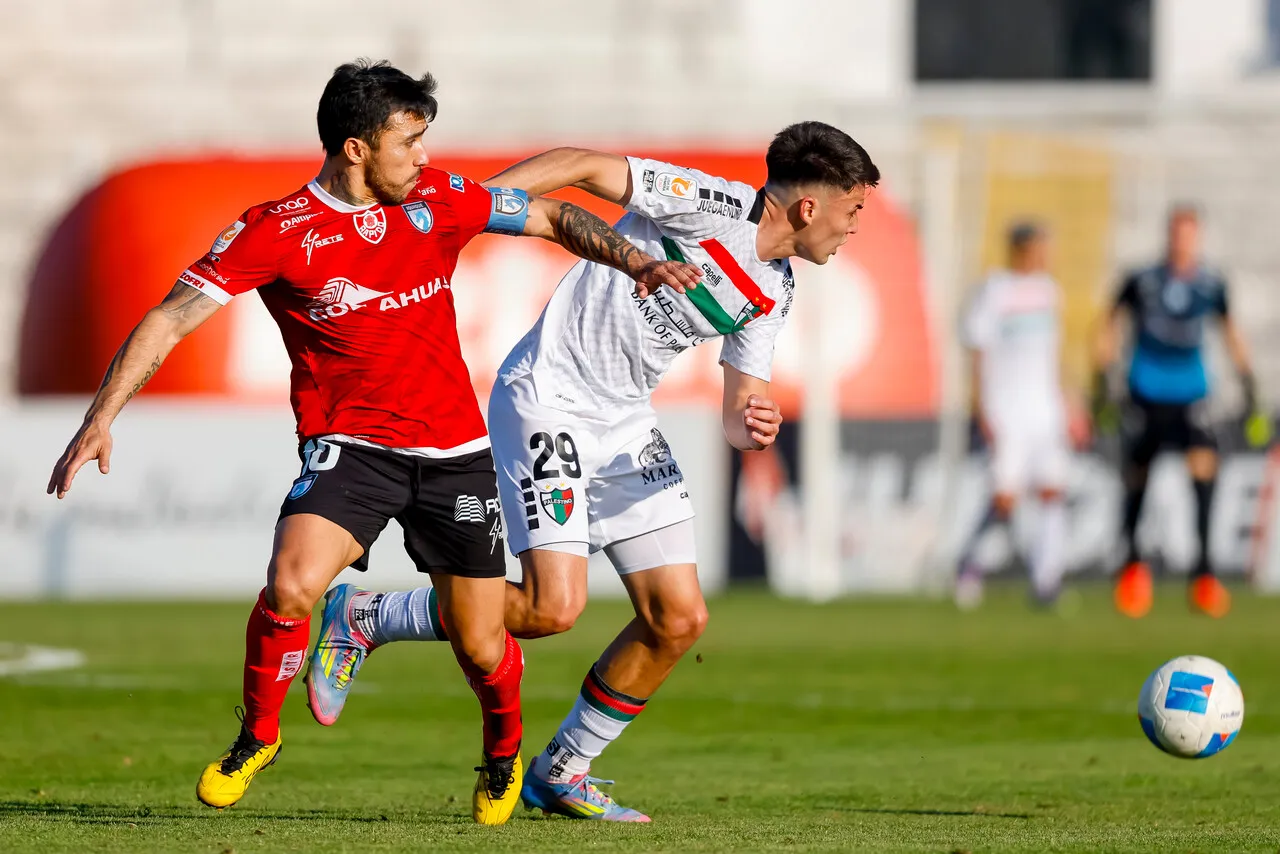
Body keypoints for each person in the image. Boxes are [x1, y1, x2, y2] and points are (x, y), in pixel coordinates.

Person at [45, 59, 700, 824]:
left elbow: (553, 216)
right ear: (355, 148)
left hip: (456, 453)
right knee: (291, 584)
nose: (423, 155)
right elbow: (169, 316)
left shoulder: (439, 197)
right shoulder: (276, 231)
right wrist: (102, 415)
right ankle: (257, 736)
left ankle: (502, 751)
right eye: (409, 140)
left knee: (484, 642)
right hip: (352, 447)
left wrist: (637, 260)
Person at [303, 122, 880, 822]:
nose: (855, 229)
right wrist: (470, 210)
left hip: (625, 423)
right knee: (553, 610)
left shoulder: (775, 289)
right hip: (549, 398)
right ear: (811, 207)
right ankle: (369, 613)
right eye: (853, 211)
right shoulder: (710, 204)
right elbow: (578, 165)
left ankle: (562, 770)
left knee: (678, 619)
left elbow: (738, 408)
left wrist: (752, 425)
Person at [1094, 204, 1268, 619]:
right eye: (1177, 233)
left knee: (1204, 474)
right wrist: (1102, 381)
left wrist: (1249, 384)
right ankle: (1133, 571)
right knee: (1137, 479)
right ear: (1168, 236)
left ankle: (1204, 576)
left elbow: (1230, 332)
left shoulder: (1210, 283)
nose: (1182, 242)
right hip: (1145, 391)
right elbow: (1110, 324)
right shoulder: (1142, 281)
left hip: (1192, 394)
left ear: (1198, 238)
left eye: (1189, 234)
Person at [954, 223, 1080, 609]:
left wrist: (1069, 403)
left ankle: (1047, 581)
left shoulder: (1048, 291)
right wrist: (981, 406)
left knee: (1052, 492)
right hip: (1006, 409)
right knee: (1005, 499)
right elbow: (979, 351)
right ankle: (970, 565)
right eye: (1040, 248)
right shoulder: (995, 290)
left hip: (1045, 409)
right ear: (1021, 249)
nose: (1045, 256)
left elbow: (1054, 355)